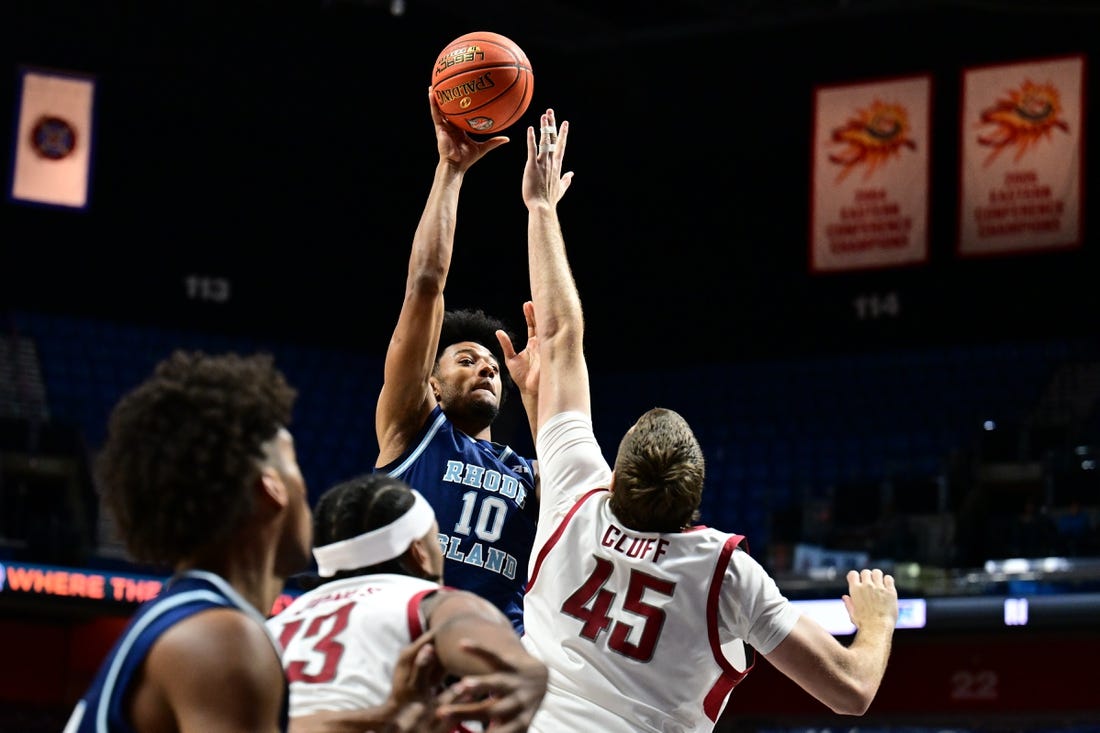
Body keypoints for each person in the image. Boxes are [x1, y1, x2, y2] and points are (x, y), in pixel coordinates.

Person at [518, 109, 900, 732]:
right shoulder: (727, 574)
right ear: (697, 502)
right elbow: (851, 691)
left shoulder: (574, 499)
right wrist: (877, 618)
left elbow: (561, 335)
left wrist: (540, 209)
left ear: (614, 476)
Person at [62, 350, 314, 732]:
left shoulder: (184, 615)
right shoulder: (222, 639)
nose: (306, 488)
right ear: (271, 490)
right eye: (295, 465)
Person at [374, 87, 540, 634]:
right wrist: (451, 169)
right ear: (434, 386)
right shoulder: (414, 430)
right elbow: (425, 286)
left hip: (496, 678)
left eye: (491, 363)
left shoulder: (528, 474)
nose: (487, 366)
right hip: (407, 649)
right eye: (466, 359)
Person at [268, 472, 548, 733]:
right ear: (419, 553)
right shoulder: (425, 600)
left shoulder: (276, 624)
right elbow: (464, 622)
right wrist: (520, 664)